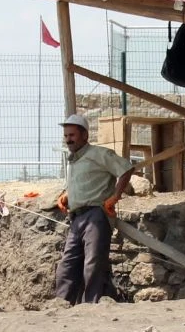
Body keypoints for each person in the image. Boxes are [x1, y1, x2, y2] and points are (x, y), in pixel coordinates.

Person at [54, 114, 134, 305]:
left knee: (93, 264)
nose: (68, 139)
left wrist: (115, 197)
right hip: (77, 217)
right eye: (66, 136)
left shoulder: (99, 154)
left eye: (72, 135)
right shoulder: (73, 160)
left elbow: (126, 169)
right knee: (67, 265)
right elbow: (84, 181)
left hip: (96, 216)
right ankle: (61, 305)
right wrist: (67, 195)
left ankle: (92, 306)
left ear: (85, 136)